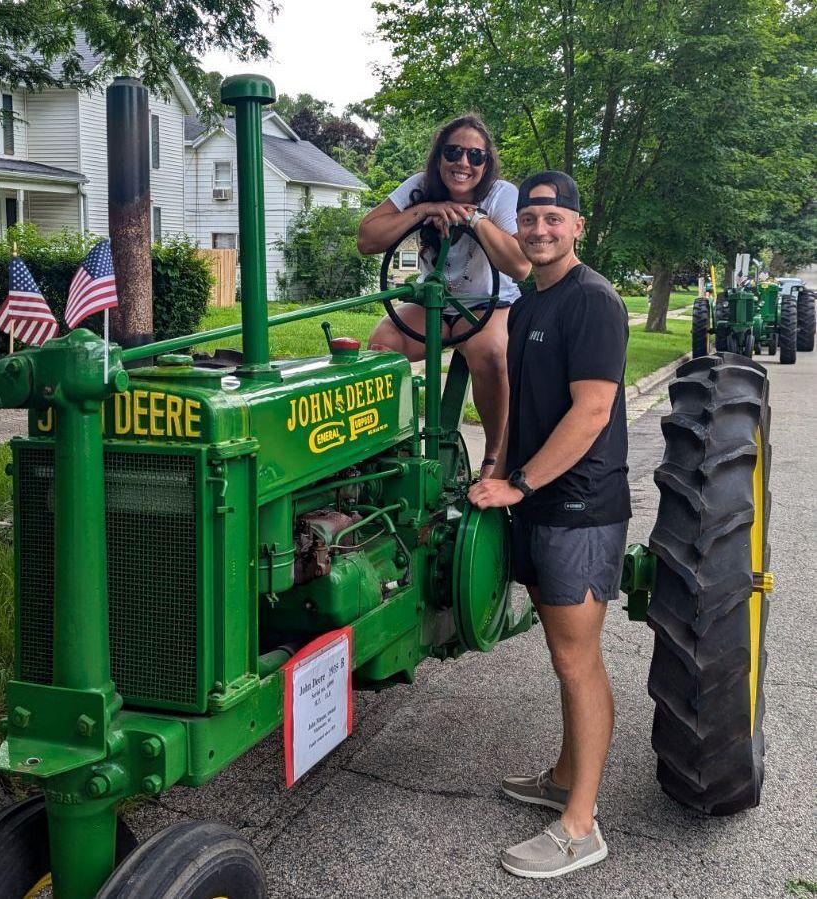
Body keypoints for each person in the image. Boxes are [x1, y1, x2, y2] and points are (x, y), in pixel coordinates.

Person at [467, 171, 630, 878]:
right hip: (539, 503)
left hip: (579, 507)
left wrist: (522, 483)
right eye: (529, 217)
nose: (538, 228)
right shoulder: (532, 302)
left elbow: (591, 412)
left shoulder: (593, 301)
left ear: (578, 226)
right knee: (563, 655)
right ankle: (565, 776)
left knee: (576, 659)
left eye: (552, 218)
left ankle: (580, 825)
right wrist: (496, 466)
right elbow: (521, 402)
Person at [357, 115, 530, 478]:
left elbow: (520, 266)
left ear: (486, 163)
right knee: (382, 345)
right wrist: (423, 210)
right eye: (453, 152)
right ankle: (390, 452)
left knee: (493, 356)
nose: (463, 163)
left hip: (489, 305)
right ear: (439, 157)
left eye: (475, 156)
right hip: (432, 303)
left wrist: (475, 220)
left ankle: (495, 460)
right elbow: (367, 239)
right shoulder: (421, 187)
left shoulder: (501, 195)